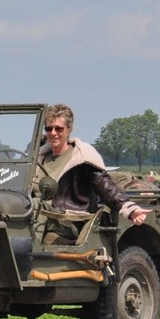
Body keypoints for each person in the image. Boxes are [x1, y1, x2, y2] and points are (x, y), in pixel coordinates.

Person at [34, 104, 151, 245]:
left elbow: (105, 186)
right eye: (49, 128)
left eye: (59, 128)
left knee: (34, 205)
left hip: (67, 220)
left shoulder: (81, 159)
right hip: (38, 219)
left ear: (69, 129)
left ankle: (24, 254)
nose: (53, 133)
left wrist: (129, 209)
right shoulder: (38, 159)